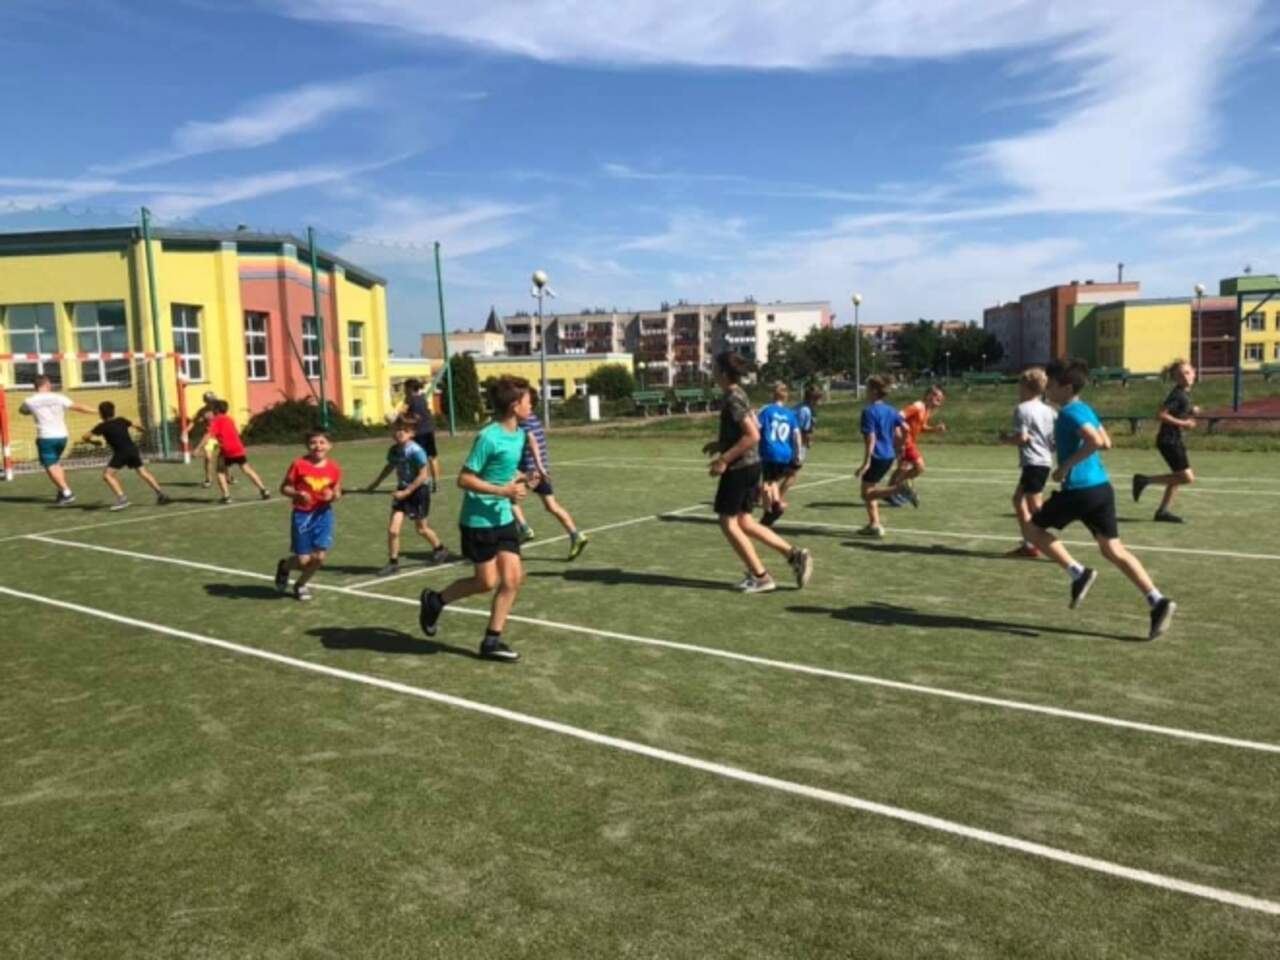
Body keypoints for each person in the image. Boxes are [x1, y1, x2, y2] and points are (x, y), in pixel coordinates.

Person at [1024, 358, 1176, 640]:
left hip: (1079, 490)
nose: (1047, 389)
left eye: (1051, 384)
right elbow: (1106, 441)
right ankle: (1157, 600)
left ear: (1066, 387)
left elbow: (1095, 441)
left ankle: (1077, 572)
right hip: (1101, 489)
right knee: (1113, 550)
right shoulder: (1084, 408)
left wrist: (1065, 466)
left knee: (1032, 530)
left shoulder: (1069, 413)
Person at [417, 376, 533, 662]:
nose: (532, 406)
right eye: (529, 401)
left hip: (503, 518)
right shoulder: (488, 437)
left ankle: (491, 641)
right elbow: (464, 479)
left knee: (513, 579)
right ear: (515, 405)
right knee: (485, 583)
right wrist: (503, 491)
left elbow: (505, 471)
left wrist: (523, 480)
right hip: (478, 521)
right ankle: (435, 600)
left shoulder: (520, 435)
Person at [701, 352, 813, 593]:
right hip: (752, 465)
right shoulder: (739, 394)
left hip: (740, 467)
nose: (712, 370)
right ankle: (794, 555)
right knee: (745, 521)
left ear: (723, 372)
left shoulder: (733, 398)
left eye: (714, 367)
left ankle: (761, 576)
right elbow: (754, 426)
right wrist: (721, 444)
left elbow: (753, 435)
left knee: (728, 522)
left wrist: (724, 459)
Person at [365, 417, 449, 576]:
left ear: (412, 433)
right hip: (403, 490)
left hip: (418, 491)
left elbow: (423, 475)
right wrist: (375, 484)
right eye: (397, 429)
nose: (399, 433)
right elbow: (390, 466)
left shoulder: (416, 451)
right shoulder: (393, 450)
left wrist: (407, 491)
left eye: (404, 430)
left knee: (421, 529)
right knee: (393, 530)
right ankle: (393, 562)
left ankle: (440, 548)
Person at [512, 385, 590, 559]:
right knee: (551, 506)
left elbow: (531, 440)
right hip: (541, 470)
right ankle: (576, 535)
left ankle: (524, 528)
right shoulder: (534, 419)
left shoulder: (522, 421)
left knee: (507, 497)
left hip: (529, 470)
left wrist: (535, 467)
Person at [274, 430, 342, 601]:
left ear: (329, 445)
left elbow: (337, 491)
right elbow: (284, 488)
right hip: (303, 516)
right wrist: (297, 494)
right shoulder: (299, 465)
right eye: (313, 442)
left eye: (322, 442)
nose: (318, 446)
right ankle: (284, 567)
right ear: (307, 445)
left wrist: (332, 496)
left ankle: (300, 585)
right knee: (303, 561)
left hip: (323, 515)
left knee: (319, 557)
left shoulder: (334, 467)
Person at [1133, 360, 1199, 523]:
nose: (1185, 377)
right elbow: (1161, 414)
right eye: (1180, 375)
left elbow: (1177, 411)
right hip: (1169, 441)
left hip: (1174, 440)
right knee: (1187, 478)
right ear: (1175, 378)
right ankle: (1144, 480)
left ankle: (1162, 512)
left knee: (1176, 477)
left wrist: (1192, 410)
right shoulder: (1177, 394)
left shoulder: (1183, 394)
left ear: (1194, 372)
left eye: (1187, 373)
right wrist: (1184, 423)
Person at [1000, 367, 1056, 558]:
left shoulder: (1022, 409)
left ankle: (1047, 546)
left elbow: (1022, 438)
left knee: (1036, 508)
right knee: (1019, 500)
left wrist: (1006, 439)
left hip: (1034, 462)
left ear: (1025, 386)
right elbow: (1053, 442)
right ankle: (1029, 542)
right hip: (1044, 461)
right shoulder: (1049, 411)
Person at [17, 374, 96, 505]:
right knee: (56, 463)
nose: (51, 385)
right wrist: (96, 411)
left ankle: (67, 493)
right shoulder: (59, 397)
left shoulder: (29, 401)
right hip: (62, 436)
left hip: (46, 437)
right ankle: (62, 492)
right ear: (46, 384)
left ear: (35, 386)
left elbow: (22, 411)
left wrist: (35, 410)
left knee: (50, 465)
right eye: (50, 383)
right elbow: (78, 407)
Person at [855, 376, 917, 537]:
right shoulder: (891, 410)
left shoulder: (868, 412)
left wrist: (866, 463)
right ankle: (874, 524)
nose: (866, 391)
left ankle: (899, 489)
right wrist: (901, 445)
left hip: (877, 456)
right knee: (870, 488)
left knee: (866, 494)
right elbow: (905, 428)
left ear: (874, 391)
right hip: (889, 455)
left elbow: (871, 438)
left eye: (867, 388)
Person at [83, 401, 172, 510]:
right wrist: (143, 430)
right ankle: (161, 494)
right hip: (133, 449)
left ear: (101, 414)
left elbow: (85, 437)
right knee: (143, 472)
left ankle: (122, 499)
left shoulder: (101, 426)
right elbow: (136, 425)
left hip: (121, 452)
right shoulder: (121, 420)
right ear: (113, 411)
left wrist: (93, 442)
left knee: (107, 475)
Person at [193, 401, 270, 503]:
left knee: (220, 471)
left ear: (216, 409)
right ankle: (264, 490)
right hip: (238, 447)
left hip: (227, 450)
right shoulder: (229, 419)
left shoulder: (216, 420)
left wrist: (198, 448)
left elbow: (208, 435)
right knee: (247, 469)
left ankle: (226, 497)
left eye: (213, 408)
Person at [887, 385, 946, 506]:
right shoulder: (918, 406)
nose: (939, 400)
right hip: (905, 441)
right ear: (928, 395)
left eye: (940, 399)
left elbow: (921, 427)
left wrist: (934, 429)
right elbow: (898, 416)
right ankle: (900, 487)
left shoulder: (926, 410)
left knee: (902, 468)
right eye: (936, 396)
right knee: (919, 467)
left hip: (908, 441)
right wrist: (899, 437)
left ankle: (890, 492)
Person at [756, 383, 802, 527]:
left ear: (773, 395)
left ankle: (770, 509)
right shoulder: (790, 414)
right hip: (786, 452)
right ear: (786, 397)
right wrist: (798, 454)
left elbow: (756, 427)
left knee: (766, 483)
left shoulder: (767, 411)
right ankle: (774, 506)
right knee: (773, 480)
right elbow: (796, 435)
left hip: (770, 451)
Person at [779, 384, 821, 502]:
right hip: (796, 446)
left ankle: (761, 492)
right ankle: (778, 497)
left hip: (788, 443)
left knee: (782, 471)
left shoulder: (798, 407)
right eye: (817, 398)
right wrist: (806, 442)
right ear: (812, 398)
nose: (819, 401)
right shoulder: (805, 410)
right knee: (792, 474)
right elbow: (801, 431)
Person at [401, 379, 441, 493]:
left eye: (405, 388)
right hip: (429, 430)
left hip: (418, 432)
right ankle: (436, 484)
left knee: (420, 458)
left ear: (409, 388)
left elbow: (404, 413)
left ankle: (423, 482)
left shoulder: (409, 399)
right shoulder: (422, 398)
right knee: (432, 457)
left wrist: (402, 419)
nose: (404, 390)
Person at [188, 390, 226, 488]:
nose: (210, 402)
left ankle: (228, 476)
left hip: (221, 435)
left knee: (226, 457)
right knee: (208, 457)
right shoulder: (202, 411)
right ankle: (208, 479)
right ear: (205, 401)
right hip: (210, 436)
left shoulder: (219, 409)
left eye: (212, 399)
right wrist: (186, 430)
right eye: (208, 400)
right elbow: (194, 421)